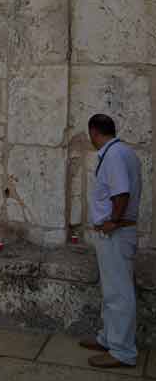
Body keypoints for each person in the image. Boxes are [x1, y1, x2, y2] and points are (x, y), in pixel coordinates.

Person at [80, 114, 142, 369]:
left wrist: (112, 221)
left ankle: (122, 351)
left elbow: (121, 192)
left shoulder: (114, 155)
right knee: (112, 290)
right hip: (115, 233)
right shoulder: (122, 151)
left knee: (119, 292)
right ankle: (109, 339)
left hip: (116, 233)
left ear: (94, 132)